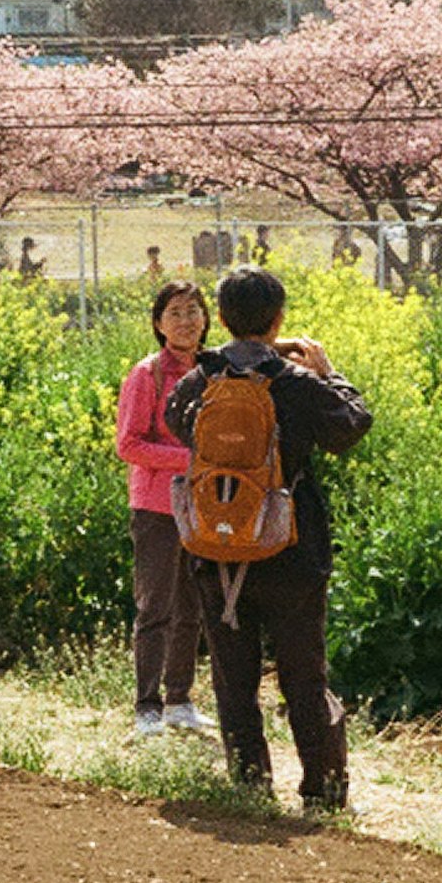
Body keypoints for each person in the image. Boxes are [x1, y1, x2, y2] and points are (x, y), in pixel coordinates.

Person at [164, 265, 371, 810]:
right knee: (304, 675)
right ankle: (323, 792)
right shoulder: (296, 384)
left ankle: (250, 785)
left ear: (223, 319)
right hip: (290, 548)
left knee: (234, 677)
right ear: (278, 318)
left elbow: (174, 421)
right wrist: (329, 373)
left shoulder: (201, 380)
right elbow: (352, 426)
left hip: (215, 549)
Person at [110, 277, 213, 741]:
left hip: (204, 505)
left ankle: (180, 700)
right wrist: (190, 461)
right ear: (158, 323)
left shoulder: (215, 372)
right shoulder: (147, 374)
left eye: (193, 310)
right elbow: (128, 444)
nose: (186, 321)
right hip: (155, 505)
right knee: (155, 606)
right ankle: (147, 706)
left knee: (193, 604)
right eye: (175, 312)